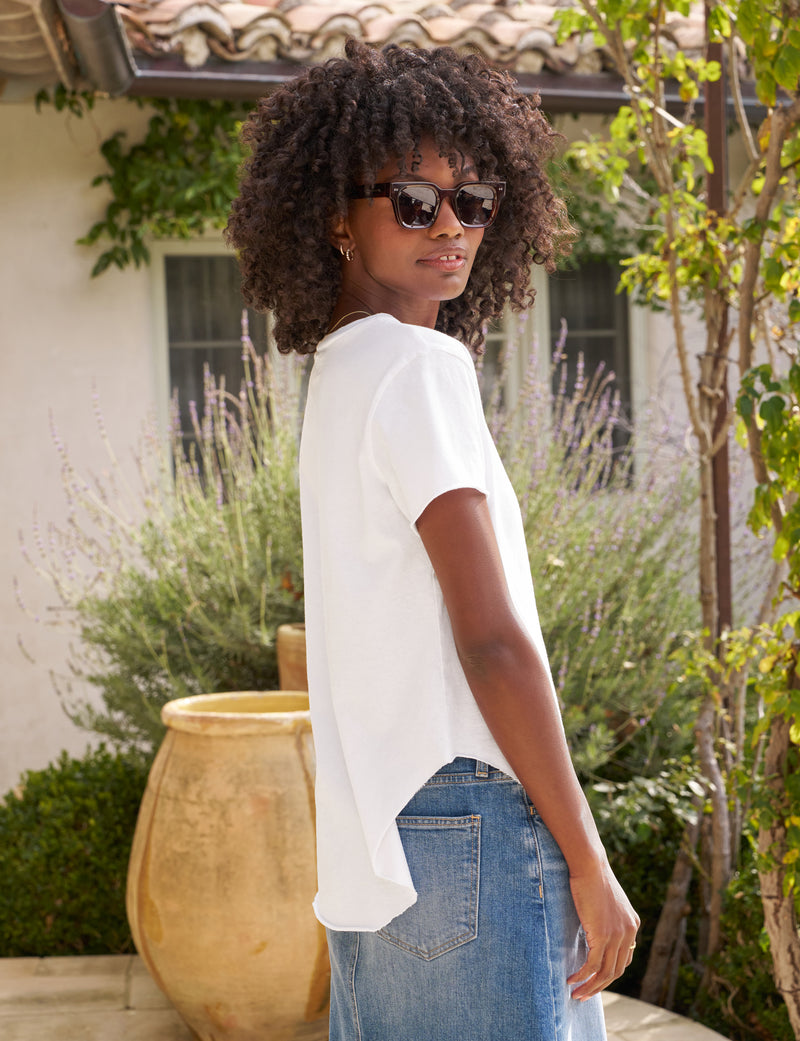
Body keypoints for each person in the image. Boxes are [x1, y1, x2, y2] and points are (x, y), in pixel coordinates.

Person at [226, 39, 639, 1041]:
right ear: (337, 216)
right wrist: (588, 855)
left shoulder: (343, 371)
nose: (450, 226)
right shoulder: (416, 368)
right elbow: (490, 638)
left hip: (384, 835)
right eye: (413, 201)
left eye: (473, 201)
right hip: (473, 823)